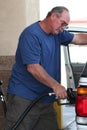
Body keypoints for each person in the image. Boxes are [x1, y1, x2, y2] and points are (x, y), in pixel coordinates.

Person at [4, 6, 87, 130]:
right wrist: (56, 85)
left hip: (45, 100)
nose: (64, 27)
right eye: (62, 23)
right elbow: (33, 67)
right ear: (53, 16)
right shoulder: (31, 34)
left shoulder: (57, 34)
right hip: (25, 98)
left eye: (66, 25)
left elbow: (77, 38)